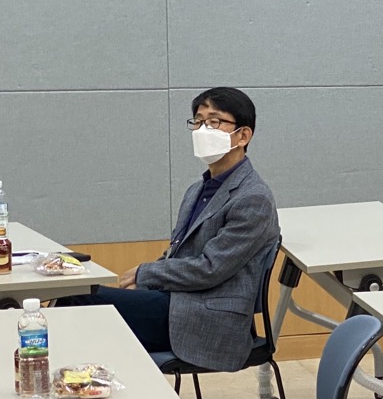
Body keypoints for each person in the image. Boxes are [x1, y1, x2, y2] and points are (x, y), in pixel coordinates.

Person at [61, 87, 279, 370]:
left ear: (243, 136)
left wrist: (147, 273)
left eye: (214, 121)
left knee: (80, 300)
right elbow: (177, 254)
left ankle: (95, 390)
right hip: (176, 302)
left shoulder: (253, 198)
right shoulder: (197, 190)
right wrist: (148, 281)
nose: (202, 129)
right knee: (75, 297)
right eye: (198, 121)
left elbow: (210, 268)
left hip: (209, 321)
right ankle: (92, 389)